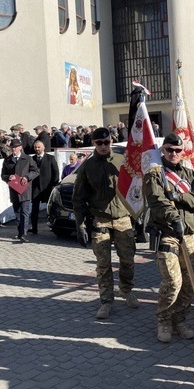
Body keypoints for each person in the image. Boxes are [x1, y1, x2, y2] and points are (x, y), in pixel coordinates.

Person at [144, 133, 194, 343]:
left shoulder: (189, 174)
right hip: (167, 234)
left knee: (190, 282)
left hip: (189, 234)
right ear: (163, 150)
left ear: (183, 152)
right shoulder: (155, 174)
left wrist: (179, 197)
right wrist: (174, 218)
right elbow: (157, 200)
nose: (173, 154)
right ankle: (163, 320)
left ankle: (179, 320)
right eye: (170, 149)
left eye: (178, 150)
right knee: (173, 281)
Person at [72, 127, 139, 319]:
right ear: (93, 143)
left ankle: (126, 290)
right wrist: (80, 225)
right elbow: (78, 199)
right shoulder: (87, 166)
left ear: (111, 141)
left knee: (127, 260)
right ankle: (106, 300)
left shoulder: (122, 162)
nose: (103, 146)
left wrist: (140, 216)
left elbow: (136, 188)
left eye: (106, 142)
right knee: (103, 264)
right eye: (99, 143)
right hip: (100, 219)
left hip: (123, 219)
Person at [1, 140, 39, 243]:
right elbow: (3, 175)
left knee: (24, 211)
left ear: (20, 148)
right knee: (17, 213)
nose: (14, 149)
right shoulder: (7, 160)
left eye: (16, 147)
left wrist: (27, 177)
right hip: (14, 189)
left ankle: (24, 234)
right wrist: (9, 177)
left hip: (25, 189)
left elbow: (35, 171)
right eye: (12, 147)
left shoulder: (27, 159)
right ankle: (19, 232)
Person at [30, 140, 59, 234]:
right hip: (36, 188)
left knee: (51, 208)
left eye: (38, 147)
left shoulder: (50, 158)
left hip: (47, 187)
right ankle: (34, 227)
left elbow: (56, 172)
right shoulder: (32, 159)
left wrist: (54, 185)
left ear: (43, 148)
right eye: (35, 147)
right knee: (34, 208)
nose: (37, 149)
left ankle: (53, 226)